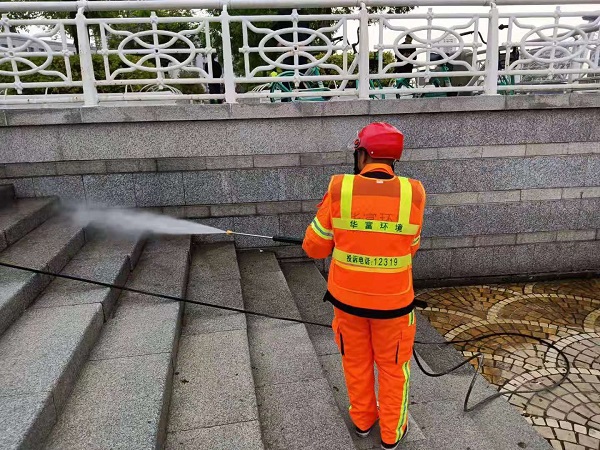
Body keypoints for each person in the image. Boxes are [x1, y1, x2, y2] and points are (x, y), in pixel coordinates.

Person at [302, 122, 426, 450]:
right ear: (393, 159)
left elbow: (314, 247)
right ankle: (391, 434)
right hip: (395, 308)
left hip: (347, 305)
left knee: (355, 364)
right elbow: (411, 246)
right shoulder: (414, 192)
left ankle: (361, 421)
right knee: (393, 368)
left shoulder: (340, 189)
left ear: (362, 154)